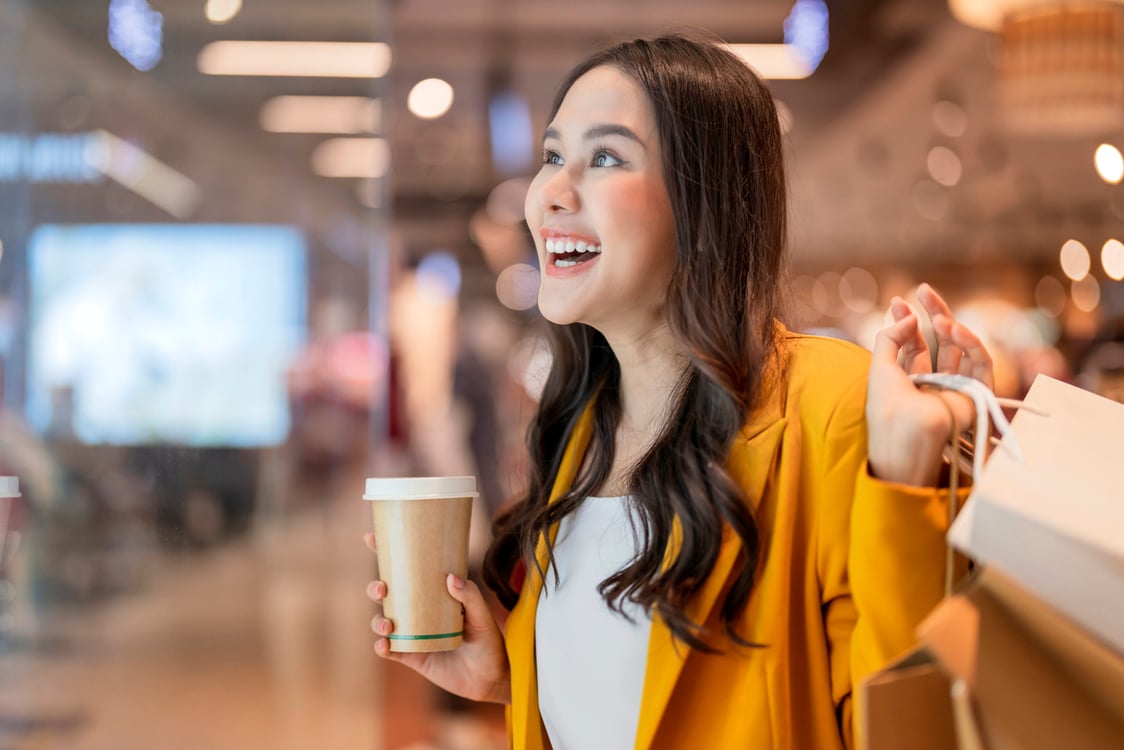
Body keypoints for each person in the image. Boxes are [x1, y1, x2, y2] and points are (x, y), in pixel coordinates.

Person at [364, 35, 992, 750]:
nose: (551, 193)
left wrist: (911, 476)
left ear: (705, 201)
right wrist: (513, 670)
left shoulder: (829, 405)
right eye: (550, 156)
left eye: (604, 157)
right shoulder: (583, 432)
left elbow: (914, 728)